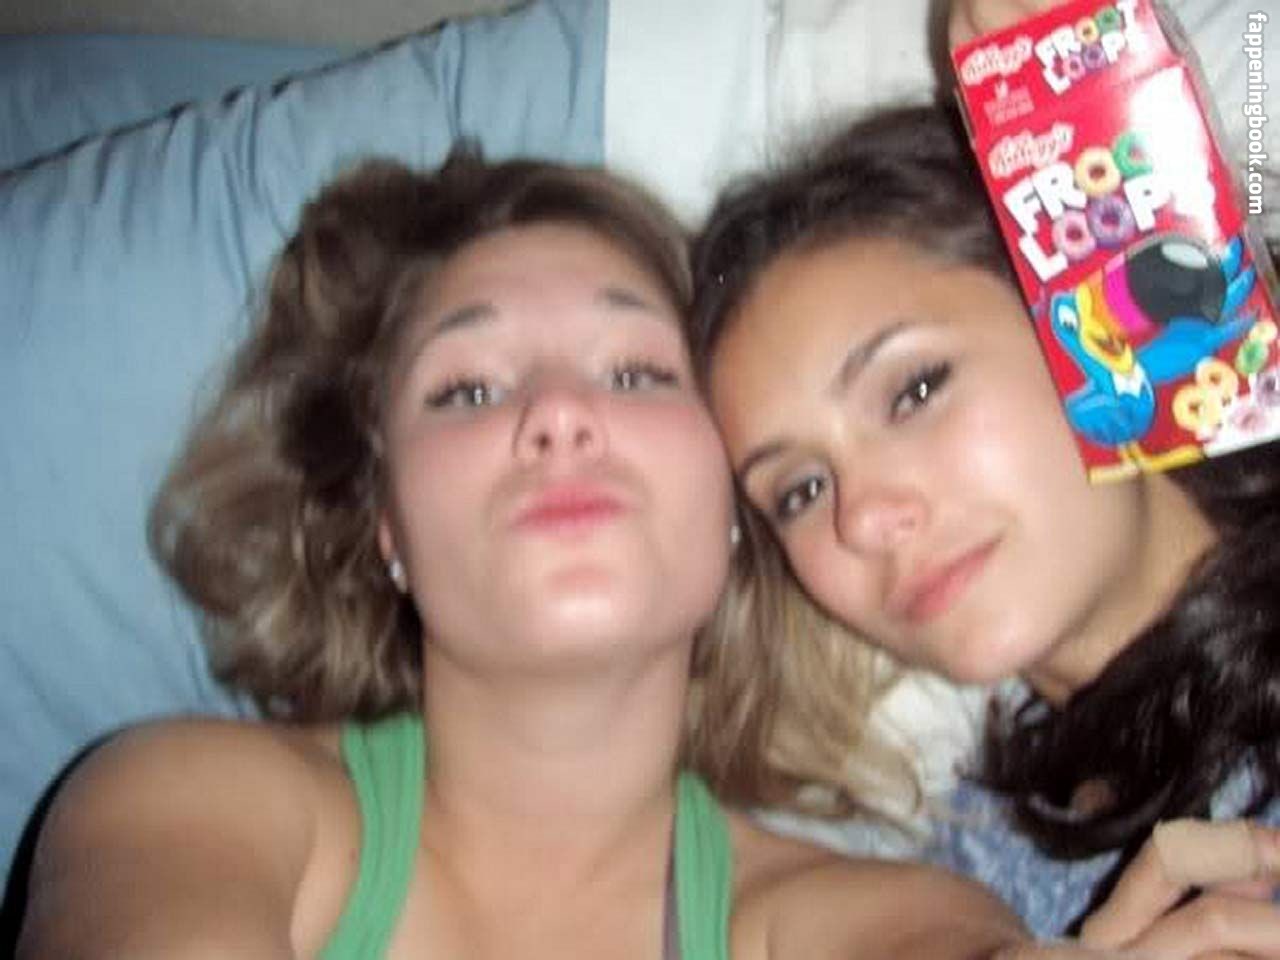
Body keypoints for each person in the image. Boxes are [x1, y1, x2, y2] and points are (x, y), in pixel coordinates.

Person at [15, 148, 1098, 959]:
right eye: (466, 390)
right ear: (387, 522)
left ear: (731, 501)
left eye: (634, 373)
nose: (559, 415)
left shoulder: (875, 915)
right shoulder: (183, 806)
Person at [688, 100, 1280, 956]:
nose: (864, 518)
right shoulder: (973, 851)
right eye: (800, 490)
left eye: (915, 390)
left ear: (1091, 323)